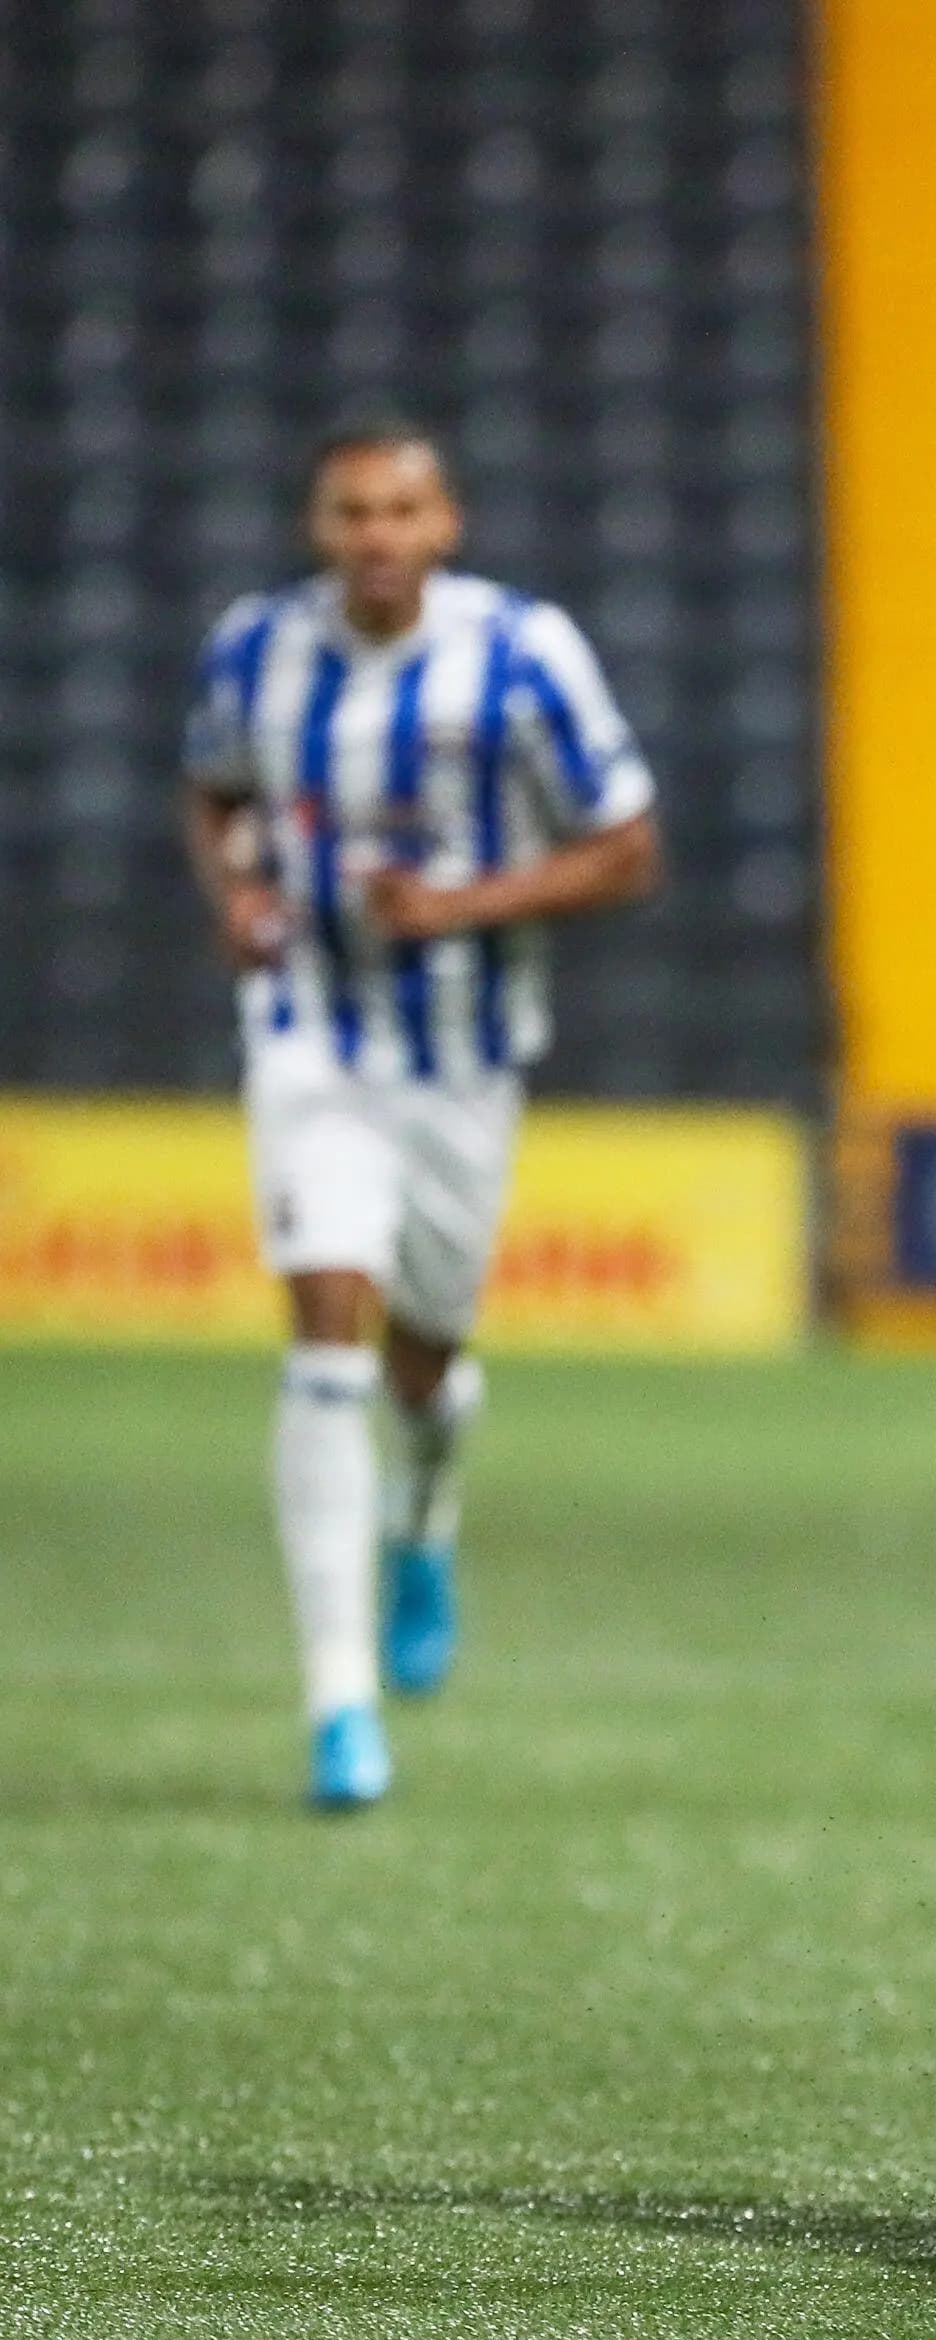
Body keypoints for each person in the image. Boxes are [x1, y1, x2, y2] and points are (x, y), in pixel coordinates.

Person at [176, 423, 661, 1811]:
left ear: (444, 524)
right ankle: (340, 1702)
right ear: (318, 528)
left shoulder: (523, 652)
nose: (376, 535)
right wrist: (240, 898)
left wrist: (464, 906)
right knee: (327, 1325)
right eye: (349, 513)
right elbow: (214, 792)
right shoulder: (252, 649)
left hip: (462, 1059)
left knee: (422, 1359)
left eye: (401, 510)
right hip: (308, 1040)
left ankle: (428, 1507)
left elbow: (629, 846)